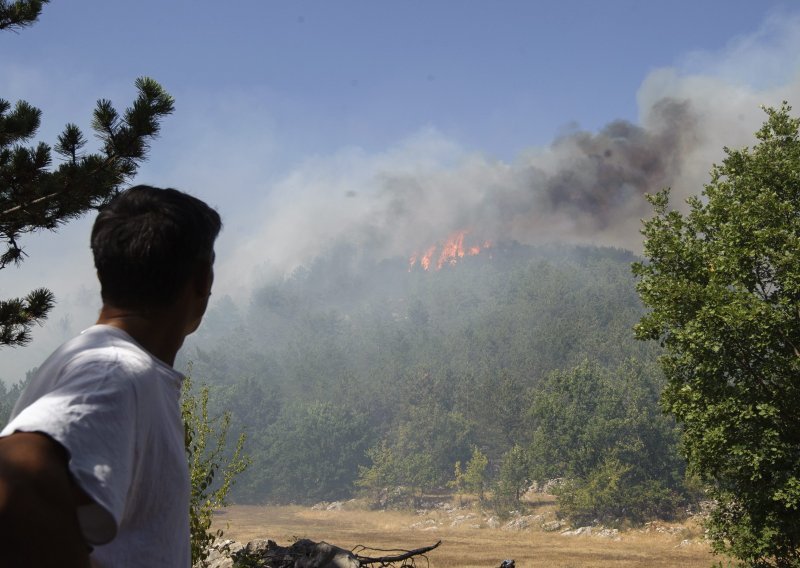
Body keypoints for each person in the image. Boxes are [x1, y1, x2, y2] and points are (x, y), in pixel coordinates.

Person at [0, 185, 222, 567]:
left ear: (104, 272)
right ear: (203, 279)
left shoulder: (93, 357)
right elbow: (17, 479)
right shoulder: (115, 372)